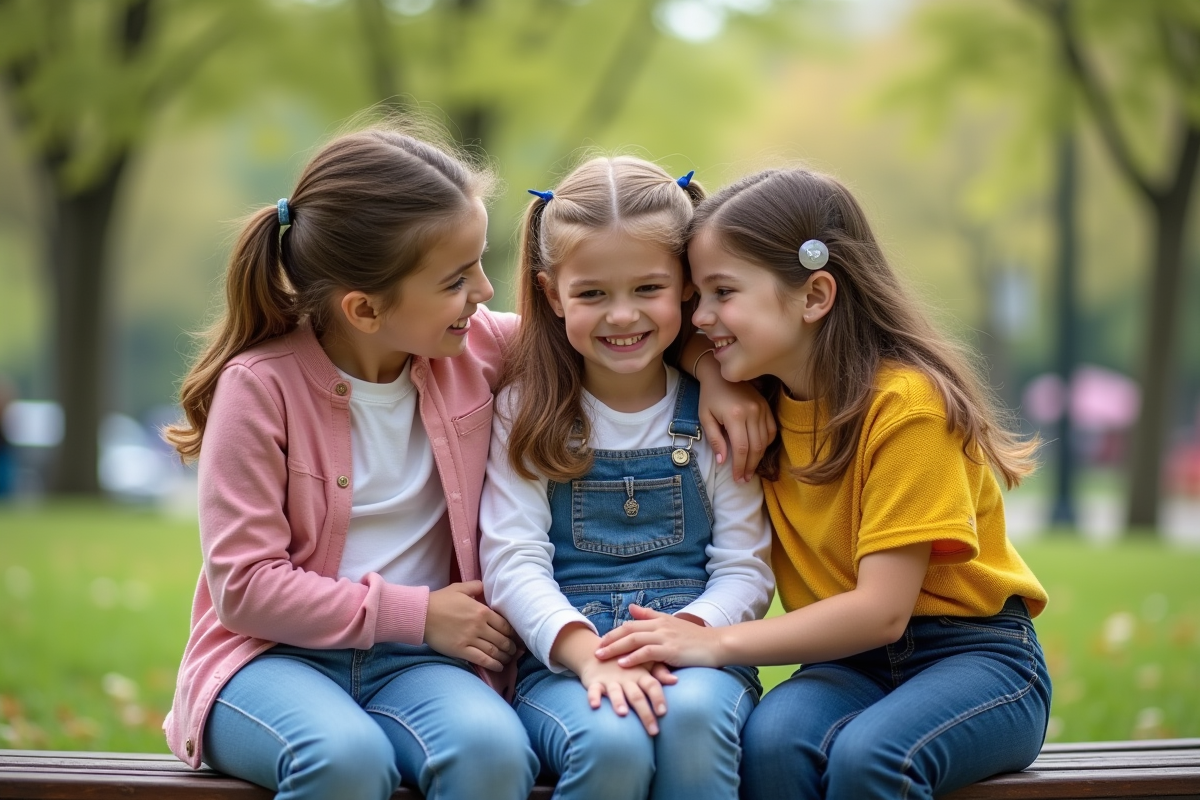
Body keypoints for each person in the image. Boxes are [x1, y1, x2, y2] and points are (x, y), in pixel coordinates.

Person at [161, 125, 772, 800]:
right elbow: (245, 588)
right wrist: (417, 615)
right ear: (365, 308)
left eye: (480, 265)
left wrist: (713, 375)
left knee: (491, 753)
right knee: (344, 760)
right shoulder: (260, 387)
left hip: (423, 665)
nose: (484, 291)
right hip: (271, 660)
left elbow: (614, 336)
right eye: (456, 279)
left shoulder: (472, 347)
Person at [594, 168, 1052, 800]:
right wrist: (714, 371)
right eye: (696, 295)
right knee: (772, 743)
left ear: (814, 296)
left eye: (722, 292)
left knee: (873, 759)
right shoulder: (760, 394)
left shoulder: (906, 408)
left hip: (976, 661)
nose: (701, 316)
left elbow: (882, 612)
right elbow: (651, 336)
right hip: (846, 665)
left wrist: (713, 642)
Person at [480, 157, 775, 800]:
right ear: (552, 293)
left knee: (693, 717)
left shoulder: (719, 411)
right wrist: (584, 651)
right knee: (609, 737)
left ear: (687, 289)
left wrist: (692, 635)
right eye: (592, 294)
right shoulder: (528, 410)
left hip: (698, 651)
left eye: (648, 289)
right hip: (564, 661)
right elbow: (513, 558)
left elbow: (746, 566)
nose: (622, 316)